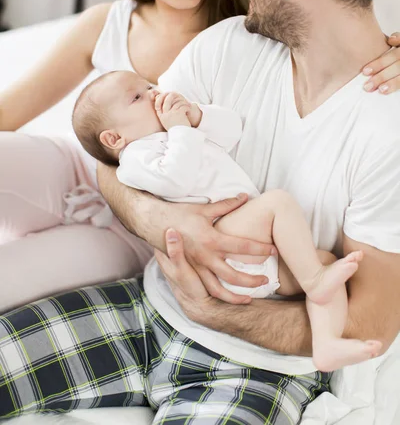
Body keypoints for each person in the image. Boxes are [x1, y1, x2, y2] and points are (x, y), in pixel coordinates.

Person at [1, 0, 400, 424]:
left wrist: (216, 312)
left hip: (256, 368)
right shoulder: (225, 45)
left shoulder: (385, 129)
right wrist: (163, 223)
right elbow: (114, 161)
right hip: (144, 310)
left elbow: (370, 321)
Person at [72, 68, 381, 372]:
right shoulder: (136, 158)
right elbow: (176, 180)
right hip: (219, 244)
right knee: (276, 203)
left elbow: (233, 131)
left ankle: (326, 343)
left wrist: (196, 117)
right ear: (114, 138)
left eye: (150, 85)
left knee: (323, 260)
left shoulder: (182, 133)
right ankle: (314, 281)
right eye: (138, 96)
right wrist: (181, 130)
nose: (155, 93)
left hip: (248, 254)